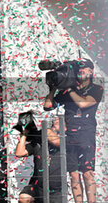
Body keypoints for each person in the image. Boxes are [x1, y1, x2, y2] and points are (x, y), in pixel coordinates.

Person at [44, 58, 103, 203]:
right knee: (74, 175)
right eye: (79, 69)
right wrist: (53, 88)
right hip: (70, 136)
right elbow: (47, 106)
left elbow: (83, 104)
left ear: (91, 72)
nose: (81, 71)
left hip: (86, 135)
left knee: (87, 173)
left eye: (84, 69)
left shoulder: (96, 88)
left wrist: (69, 88)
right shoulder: (66, 92)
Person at [14, 111, 62, 203]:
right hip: (38, 186)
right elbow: (19, 153)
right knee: (24, 198)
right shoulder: (36, 142)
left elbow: (55, 140)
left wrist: (43, 126)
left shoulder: (63, 139)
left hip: (55, 189)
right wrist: (24, 133)